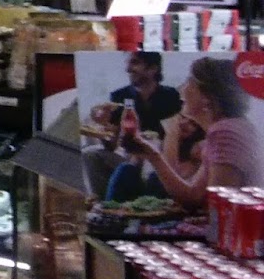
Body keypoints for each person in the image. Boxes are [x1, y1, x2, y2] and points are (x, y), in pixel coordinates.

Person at [122, 56, 264, 210]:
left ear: (207, 97)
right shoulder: (228, 128)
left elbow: (217, 209)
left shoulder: (226, 132)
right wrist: (153, 155)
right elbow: (193, 196)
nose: (182, 89)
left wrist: (170, 135)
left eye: (190, 82)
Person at [83, 51, 184, 198]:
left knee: (148, 167)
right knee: (90, 154)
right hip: (128, 156)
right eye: (128, 63)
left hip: (160, 156)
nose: (128, 69)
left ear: (153, 69)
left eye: (135, 63)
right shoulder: (119, 96)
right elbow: (111, 146)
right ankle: (104, 204)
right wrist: (104, 125)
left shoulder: (171, 96)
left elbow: (179, 135)